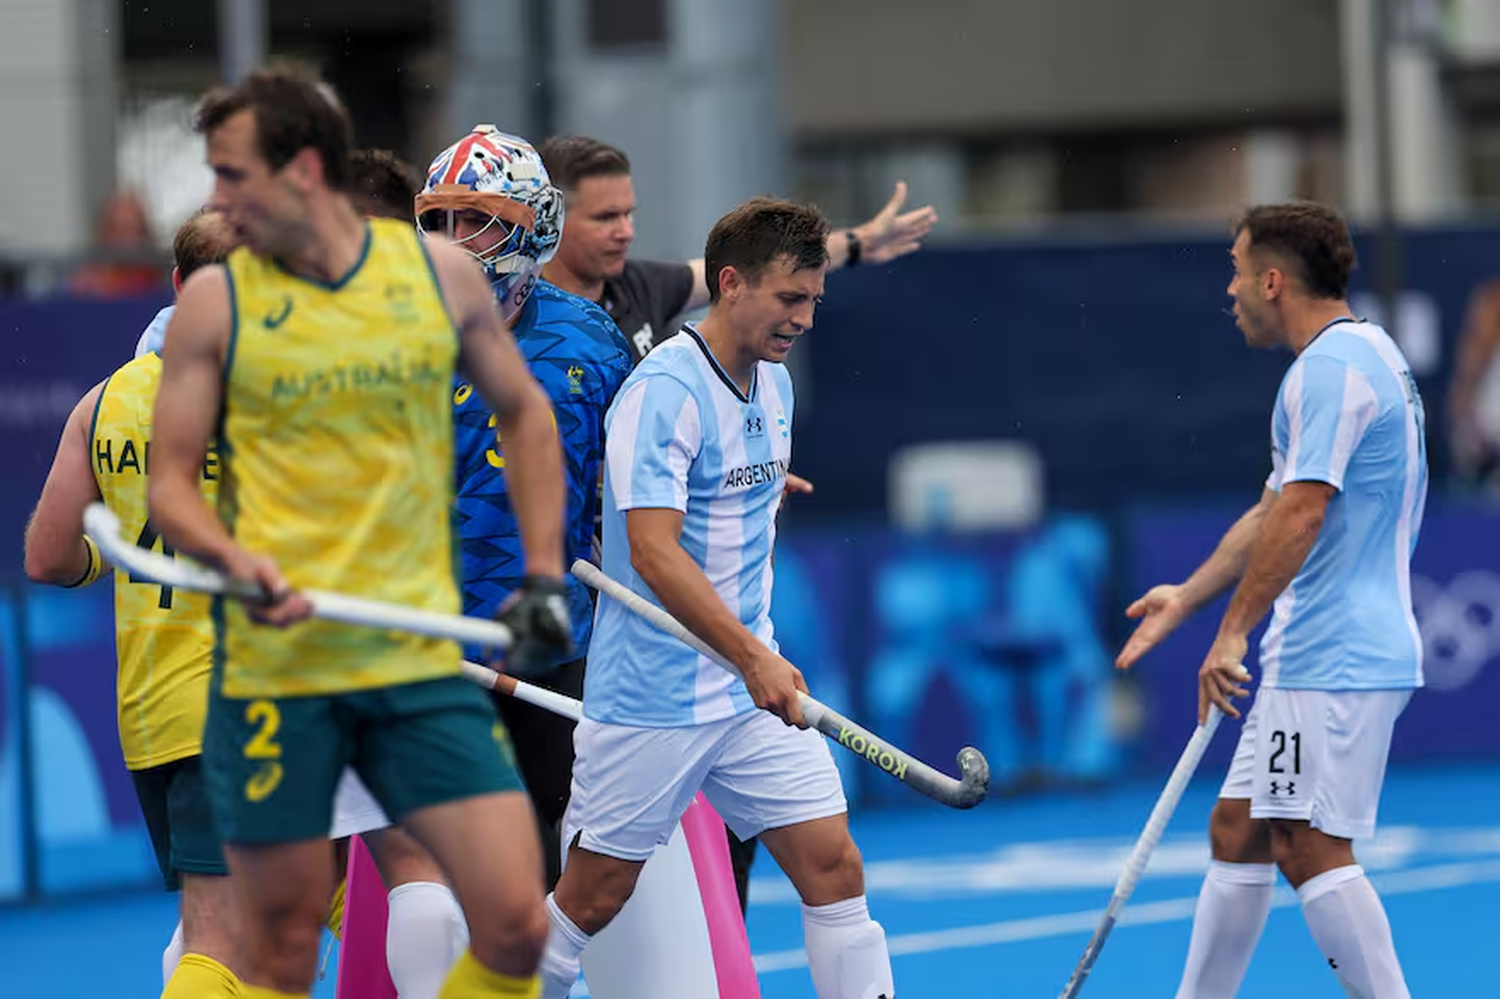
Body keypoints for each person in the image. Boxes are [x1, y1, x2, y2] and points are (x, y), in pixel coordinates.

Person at [147, 67, 571, 999]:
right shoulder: (218, 305)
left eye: (232, 174)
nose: (216, 201)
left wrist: (543, 575)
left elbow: (527, 419)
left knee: (515, 921)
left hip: (411, 661)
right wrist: (231, 557)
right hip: (279, 671)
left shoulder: (437, 275)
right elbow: (170, 484)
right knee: (284, 951)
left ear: (303, 168)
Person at [538, 197, 895, 999]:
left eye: (813, 301)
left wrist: (752, 655)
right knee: (589, 899)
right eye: (789, 299)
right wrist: (752, 653)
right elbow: (655, 554)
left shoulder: (775, 387)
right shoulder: (663, 390)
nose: (803, 319)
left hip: (743, 695)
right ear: (729, 284)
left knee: (834, 865)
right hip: (652, 700)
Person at [1117, 202, 1426, 999]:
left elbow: (1303, 511)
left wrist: (1230, 636)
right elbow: (1269, 510)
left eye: (1236, 268)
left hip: (1334, 654)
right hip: (1315, 654)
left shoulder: (1326, 370)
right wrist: (1187, 598)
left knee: (1309, 845)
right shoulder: (1361, 356)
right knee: (1242, 829)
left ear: (1274, 280)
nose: (1230, 289)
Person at [23, 210, 242, 999]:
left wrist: (125, 557)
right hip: (249, 706)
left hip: (154, 714)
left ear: (178, 284)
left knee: (284, 913)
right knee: (231, 945)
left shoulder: (105, 400)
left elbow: (48, 557)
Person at [416, 125, 633, 890]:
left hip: (559, 644)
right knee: (456, 871)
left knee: (581, 849)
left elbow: (631, 487)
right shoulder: (396, 336)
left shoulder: (595, 338)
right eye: (438, 219)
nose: (452, 238)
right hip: (433, 644)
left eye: (474, 218)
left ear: (533, 224)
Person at [537, 135, 937, 361]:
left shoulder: (639, 285)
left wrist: (858, 243)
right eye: (606, 218)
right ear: (550, 217)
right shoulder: (510, 312)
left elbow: (761, 265)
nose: (626, 232)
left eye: (629, 214)